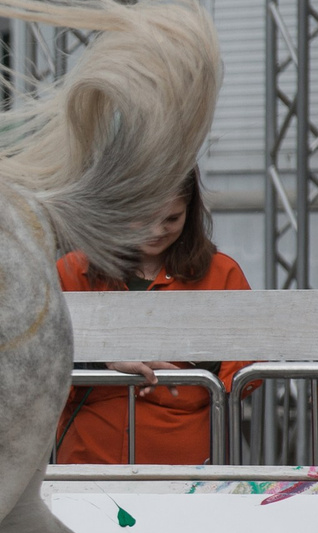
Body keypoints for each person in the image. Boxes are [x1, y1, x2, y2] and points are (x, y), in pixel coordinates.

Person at [54, 170, 252, 465]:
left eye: (172, 219)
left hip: (186, 463)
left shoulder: (222, 274)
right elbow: (41, 362)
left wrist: (190, 364)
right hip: (88, 458)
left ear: (190, 211)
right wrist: (103, 361)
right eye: (143, 217)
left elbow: (247, 371)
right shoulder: (73, 270)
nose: (157, 230)